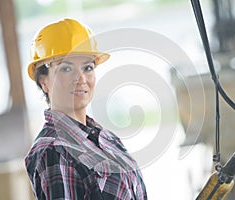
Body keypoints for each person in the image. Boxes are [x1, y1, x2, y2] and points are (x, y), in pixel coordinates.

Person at [25, 18, 147, 200]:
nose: (81, 78)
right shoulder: (53, 151)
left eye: (88, 67)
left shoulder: (106, 139)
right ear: (44, 81)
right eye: (66, 69)